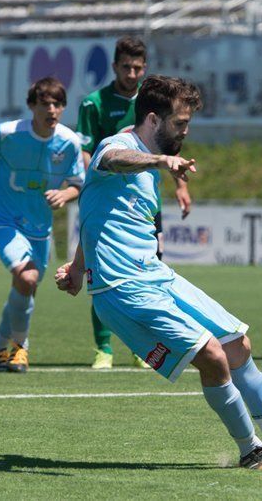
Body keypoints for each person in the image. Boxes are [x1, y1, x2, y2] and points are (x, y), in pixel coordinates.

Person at [55, 75, 262, 470]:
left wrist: (78, 268)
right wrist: (161, 160)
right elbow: (112, 160)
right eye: (180, 123)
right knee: (213, 357)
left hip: (156, 275)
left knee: (238, 346)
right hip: (122, 289)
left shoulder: (148, 167)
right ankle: (251, 450)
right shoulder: (116, 148)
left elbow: (97, 219)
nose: (185, 131)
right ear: (153, 119)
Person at [0, 77, 84, 372]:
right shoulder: (8, 133)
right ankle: (21, 347)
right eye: (45, 103)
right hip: (4, 221)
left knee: (26, 288)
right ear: (32, 106)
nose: (52, 109)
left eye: (58, 104)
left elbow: (77, 183)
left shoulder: (70, 142)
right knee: (27, 278)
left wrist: (65, 193)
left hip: (40, 228)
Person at [77, 36, 192, 369]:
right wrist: (96, 182)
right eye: (125, 66)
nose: (131, 72)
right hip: (106, 195)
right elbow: (89, 150)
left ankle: (143, 347)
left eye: (137, 67)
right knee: (100, 273)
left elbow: (167, 150)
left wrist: (180, 187)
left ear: (145, 68)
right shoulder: (94, 103)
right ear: (114, 67)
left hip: (143, 199)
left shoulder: (150, 102)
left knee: (147, 270)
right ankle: (104, 348)